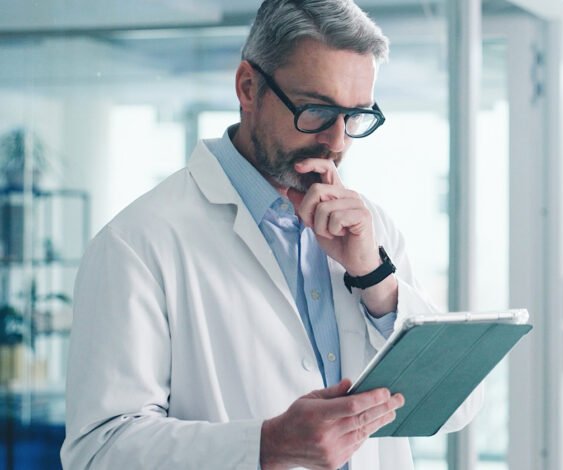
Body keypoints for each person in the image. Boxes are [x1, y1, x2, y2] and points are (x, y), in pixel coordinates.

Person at [60, 0, 483, 469]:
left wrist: (376, 279)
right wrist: (265, 445)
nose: (337, 141)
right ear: (248, 87)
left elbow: (457, 406)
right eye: (316, 110)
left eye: (355, 116)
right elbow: (98, 451)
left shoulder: (372, 230)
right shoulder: (138, 243)